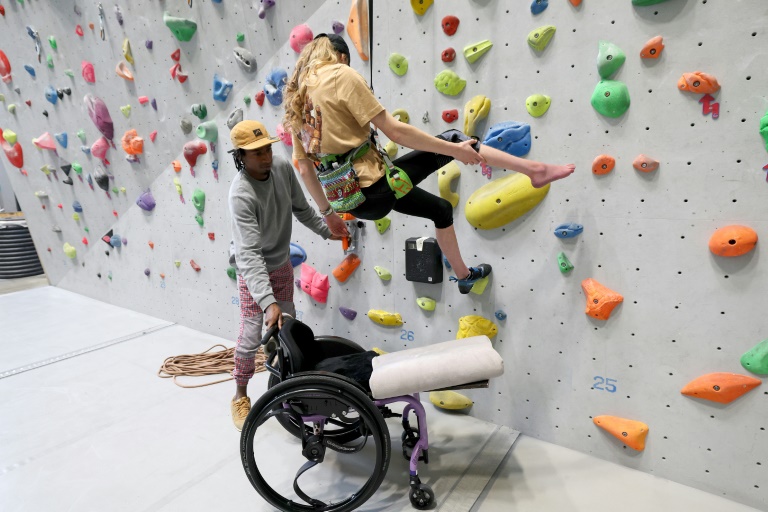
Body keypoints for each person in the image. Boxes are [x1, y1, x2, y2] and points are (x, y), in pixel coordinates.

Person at [283, 34, 575, 294]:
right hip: (375, 188)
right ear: (341, 57)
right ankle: (535, 171)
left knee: (440, 210)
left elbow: (305, 167)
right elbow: (395, 132)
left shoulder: (298, 99)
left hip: (351, 202)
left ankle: (464, 277)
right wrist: (453, 150)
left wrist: (328, 215)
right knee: (454, 137)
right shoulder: (341, 75)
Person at [227, 119, 344, 431]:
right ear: (240, 155)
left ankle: (283, 385)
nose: (266, 157)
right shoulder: (241, 195)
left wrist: (326, 231)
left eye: (267, 149)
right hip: (253, 271)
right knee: (252, 334)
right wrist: (267, 302)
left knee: (286, 328)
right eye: (257, 154)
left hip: (279, 265)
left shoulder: (280, 168)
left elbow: (301, 208)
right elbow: (249, 255)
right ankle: (239, 395)